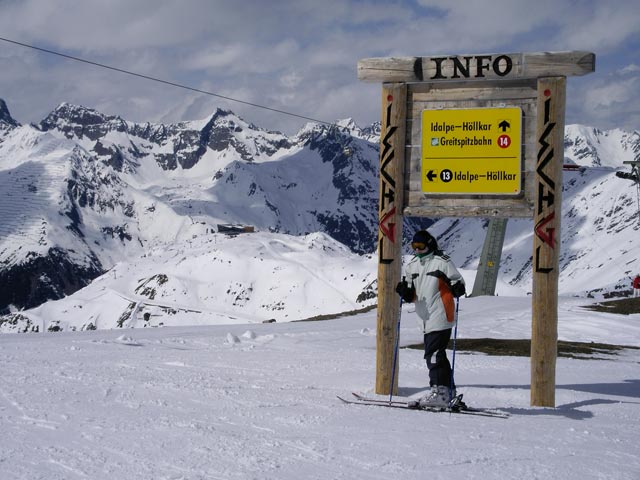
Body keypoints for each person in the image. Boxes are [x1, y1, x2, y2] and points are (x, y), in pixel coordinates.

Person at [395, 230, 466, 408]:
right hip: (424, 318)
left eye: (421, 246)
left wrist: (458, 288)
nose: (417, 250)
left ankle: (439, 393)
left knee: (433, 355)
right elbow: (411, 294)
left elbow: (458, 281)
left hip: (441, 314)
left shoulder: (441, 262)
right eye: (414, 247)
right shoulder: (412, 266)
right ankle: (447, 392)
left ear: (430, 244)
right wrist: (405, 292)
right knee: (437, 355)